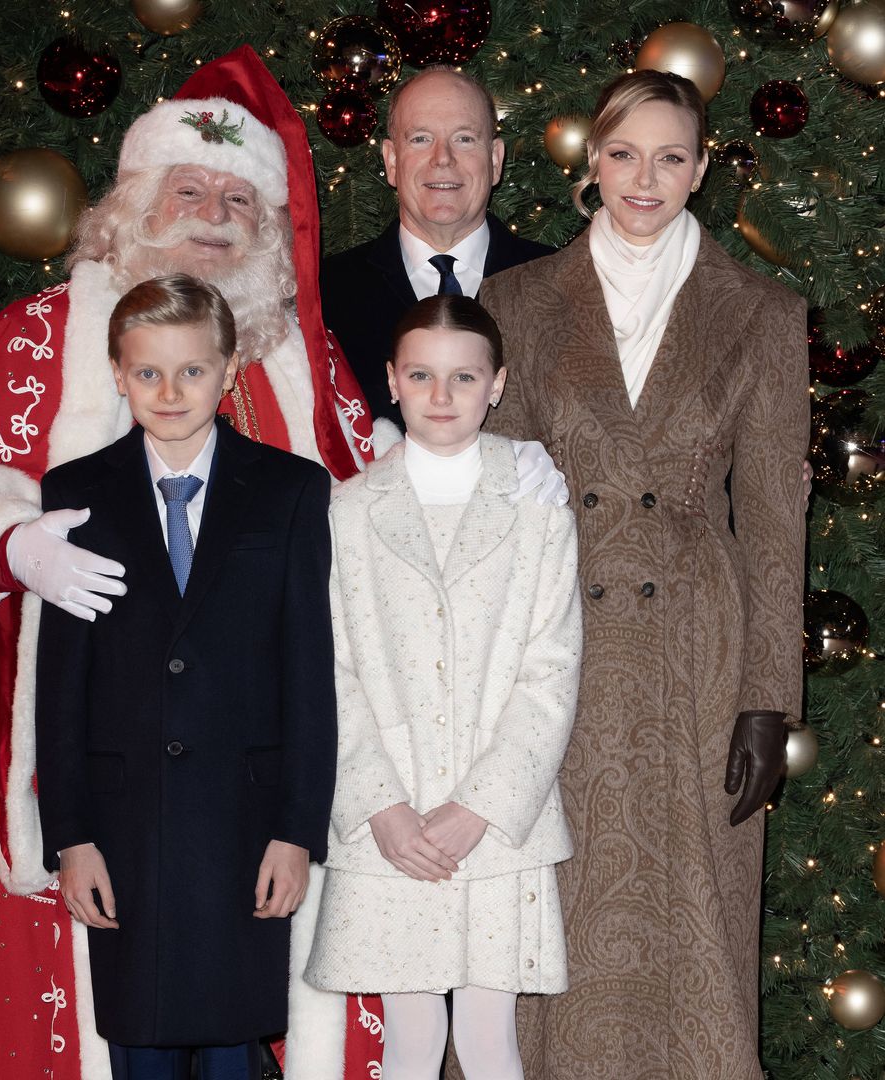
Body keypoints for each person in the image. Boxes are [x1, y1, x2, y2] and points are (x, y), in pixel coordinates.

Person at [0, 46, 377, 1080]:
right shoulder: (42, 336)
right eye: (187, 187)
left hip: (258, 795)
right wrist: (9, 546)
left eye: (241, 196)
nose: (214, 211)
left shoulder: (307, 358)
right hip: (112, 792)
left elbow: (376, 551)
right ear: (134, 202)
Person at [480, 70, 809, 1079]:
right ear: (592, 162)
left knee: (695, 920)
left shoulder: (759, 310)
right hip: (554, 656)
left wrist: (767, 698)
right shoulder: (518, 302)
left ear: (702, 169)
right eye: (625, 154)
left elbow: (772, 518)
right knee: (552, 920)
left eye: (671, 157)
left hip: (695, 663)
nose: (645, 178)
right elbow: (490, 503)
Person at [35, 274, 336, 1080]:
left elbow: (311, 675)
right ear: (117, 372)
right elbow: (59, 685)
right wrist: (70, 836)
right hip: (123, 837)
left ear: (229, 369)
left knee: (238, 1049)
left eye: (192, 371)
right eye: (147, 373)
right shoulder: (75, 496)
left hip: (244, 832)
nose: (169, 392)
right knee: (140, 1049)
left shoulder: (291, 492)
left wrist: (298, 829)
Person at [297, 295, 582, 1080]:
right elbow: (332, 673)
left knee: (491, 1040)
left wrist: (483, 805)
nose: (442, 396)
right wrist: (380, 806)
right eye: (421, 375)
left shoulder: (536, 508)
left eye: (464, 377)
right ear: (391, 381)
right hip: (391, 826)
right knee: (412, 1040)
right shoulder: (347, 514)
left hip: (497, 829)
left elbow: (550, 669)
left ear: (496, 384)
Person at [320, 67, 552, 429]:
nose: (442, 158)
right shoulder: (325, 295)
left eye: (463, 139)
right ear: (391, 160)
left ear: (495, 160)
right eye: (420, 139)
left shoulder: (559, 283)